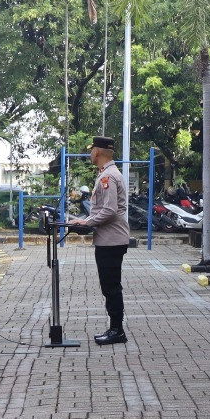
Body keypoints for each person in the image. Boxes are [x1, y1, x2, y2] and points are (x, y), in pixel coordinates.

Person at [69, 136, 131, 345]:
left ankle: (117, 330)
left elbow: (110, 210)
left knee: (111, 286)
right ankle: (115, 328)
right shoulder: (107, 174)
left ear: (97, 152)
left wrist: (87, 223)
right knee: (109, 285)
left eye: (92, 150)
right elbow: (102, 210)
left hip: (111, 241)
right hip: (109, 239)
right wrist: (85, 220)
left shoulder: (108, 177)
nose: (90, 153)